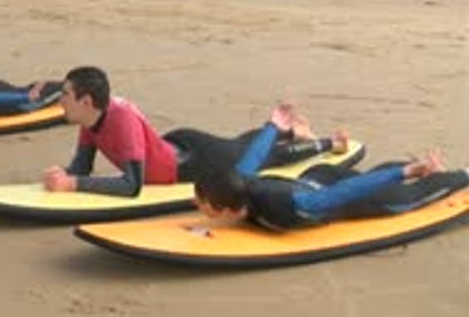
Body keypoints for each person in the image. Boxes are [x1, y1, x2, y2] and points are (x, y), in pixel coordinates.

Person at [42, 66, 348, 197]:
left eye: (65, 95)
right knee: (242, 144)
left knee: (266, 159)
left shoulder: (120, 118)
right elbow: (82, 167)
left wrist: (73, 185)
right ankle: (291, 132)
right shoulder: (89, 119)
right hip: (176, 145)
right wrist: (67, 174)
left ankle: (326, 143)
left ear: (86, 100)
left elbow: (132, 186)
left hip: (195, 161)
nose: (60, 100)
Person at [194, 102, 469, 230]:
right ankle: (420, 167)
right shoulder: (238, 180)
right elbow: (254, 156)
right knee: (372, 176)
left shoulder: (284, 204)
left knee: (409, 197)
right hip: (319, 178)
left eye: (201, 202)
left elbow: (344, 192)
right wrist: (274, 126)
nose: (197, 204)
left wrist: (402, 173)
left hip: (336, 195)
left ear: (226, 209)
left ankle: (456, 175)